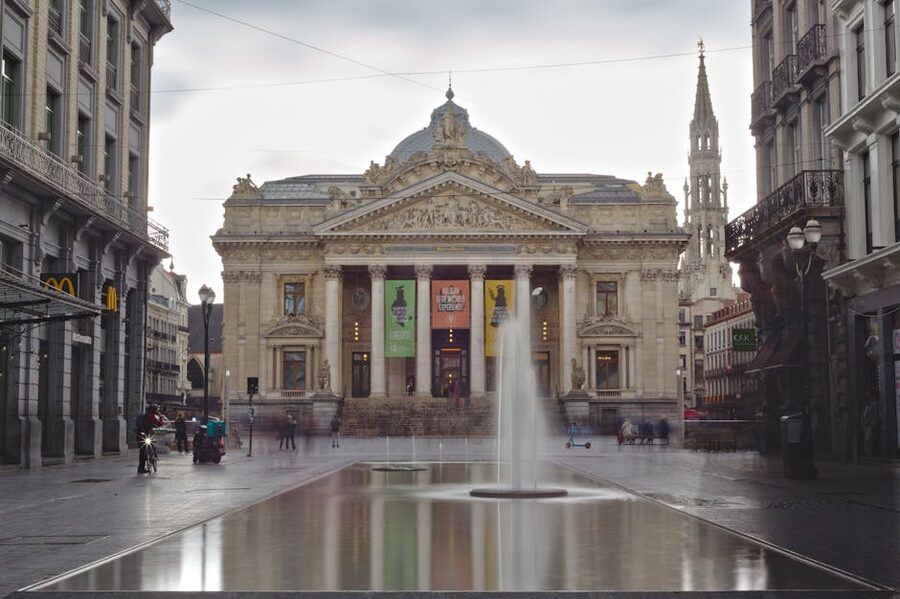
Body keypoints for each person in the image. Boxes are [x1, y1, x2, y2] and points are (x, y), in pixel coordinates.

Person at [137, 404, 164, 473]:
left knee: (142, 451)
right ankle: (154, 455)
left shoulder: (143, 416)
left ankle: (141, 467)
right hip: (148, 434)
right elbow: (160, 424)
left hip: (140, 435)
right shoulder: (151, 417)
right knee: (150, 446)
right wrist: (160, 417)